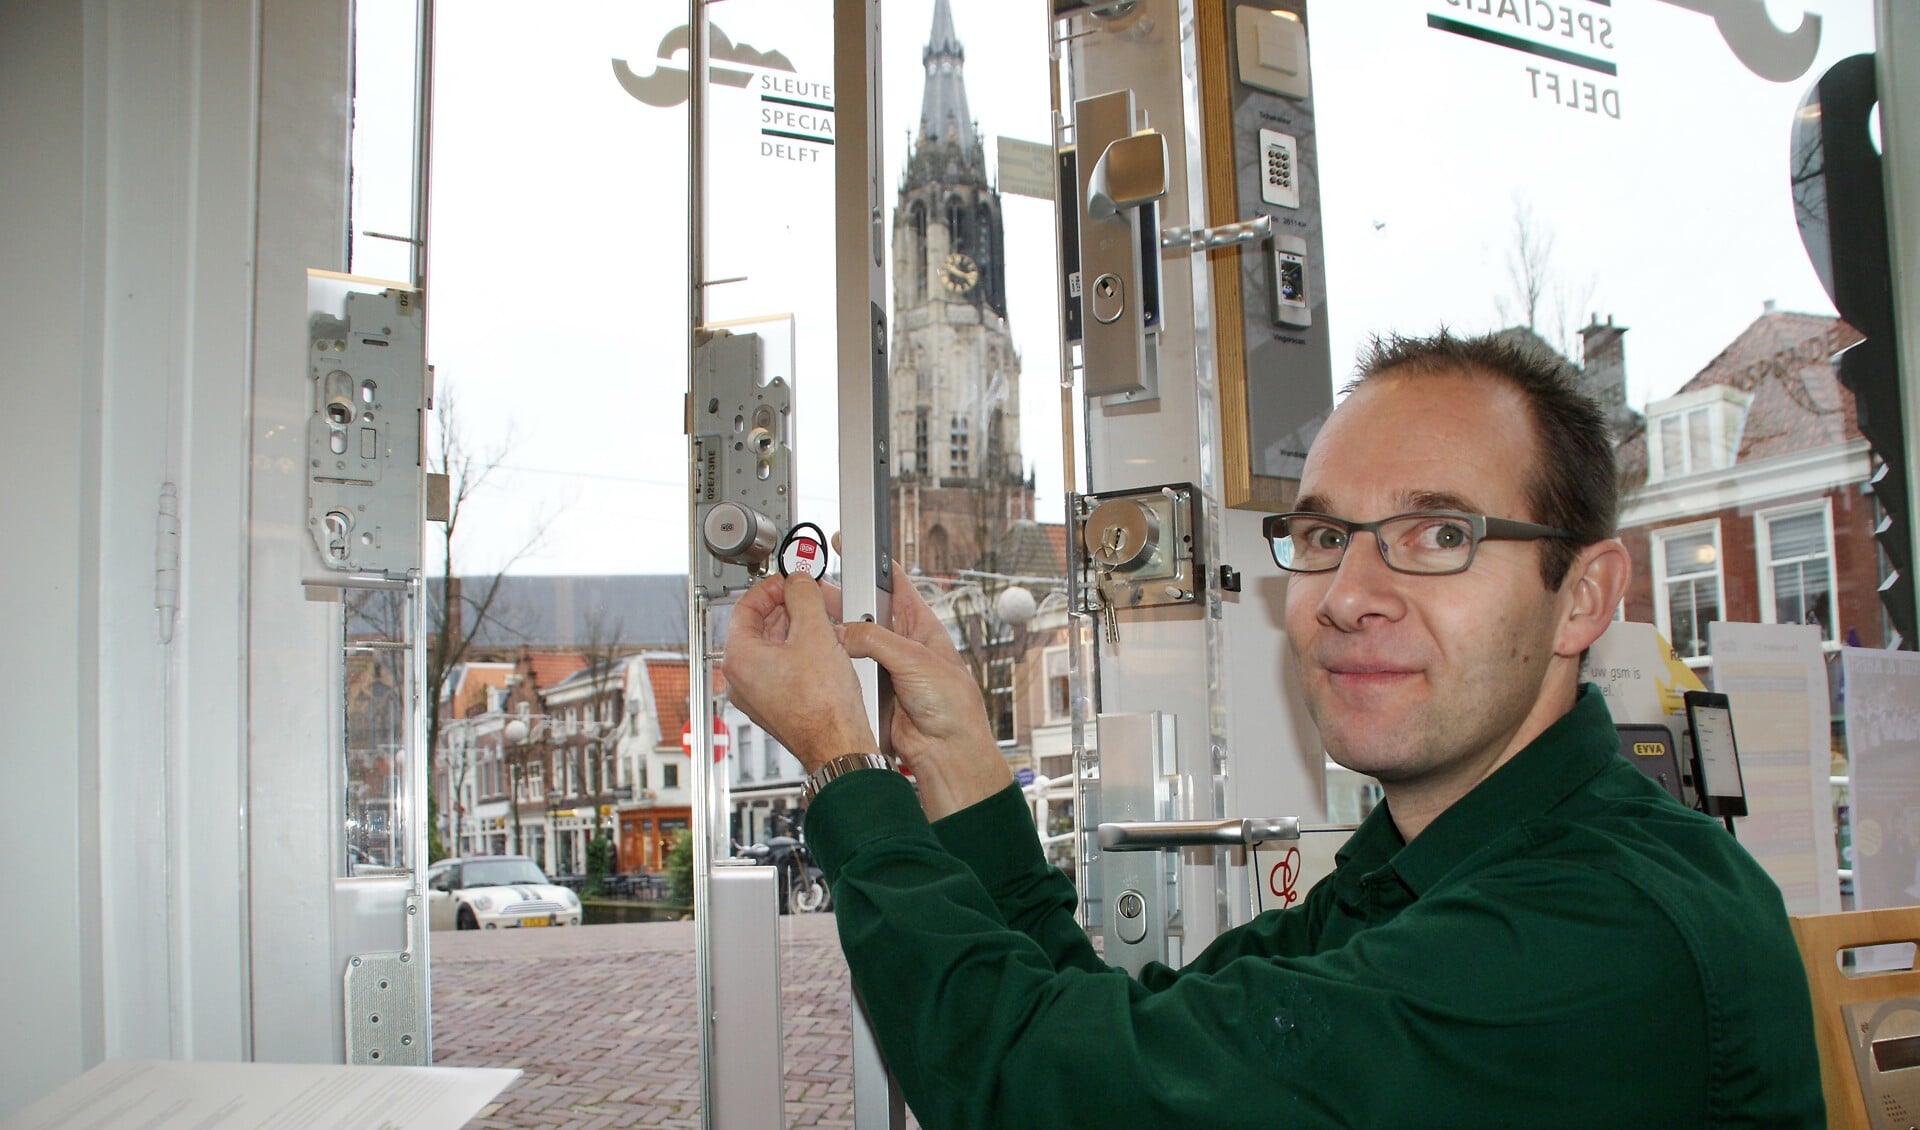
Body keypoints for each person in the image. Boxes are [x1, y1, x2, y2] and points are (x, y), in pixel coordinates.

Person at [722, 331, 1823, 1128]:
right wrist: (961, 754)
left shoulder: (1595, 932)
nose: (1350, 592)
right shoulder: (1421, 870)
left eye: (1438, 531)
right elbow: (1117, 1043)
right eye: (1325, 533)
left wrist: (843, 765)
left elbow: (1044, 1095)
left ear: (1583, 597)